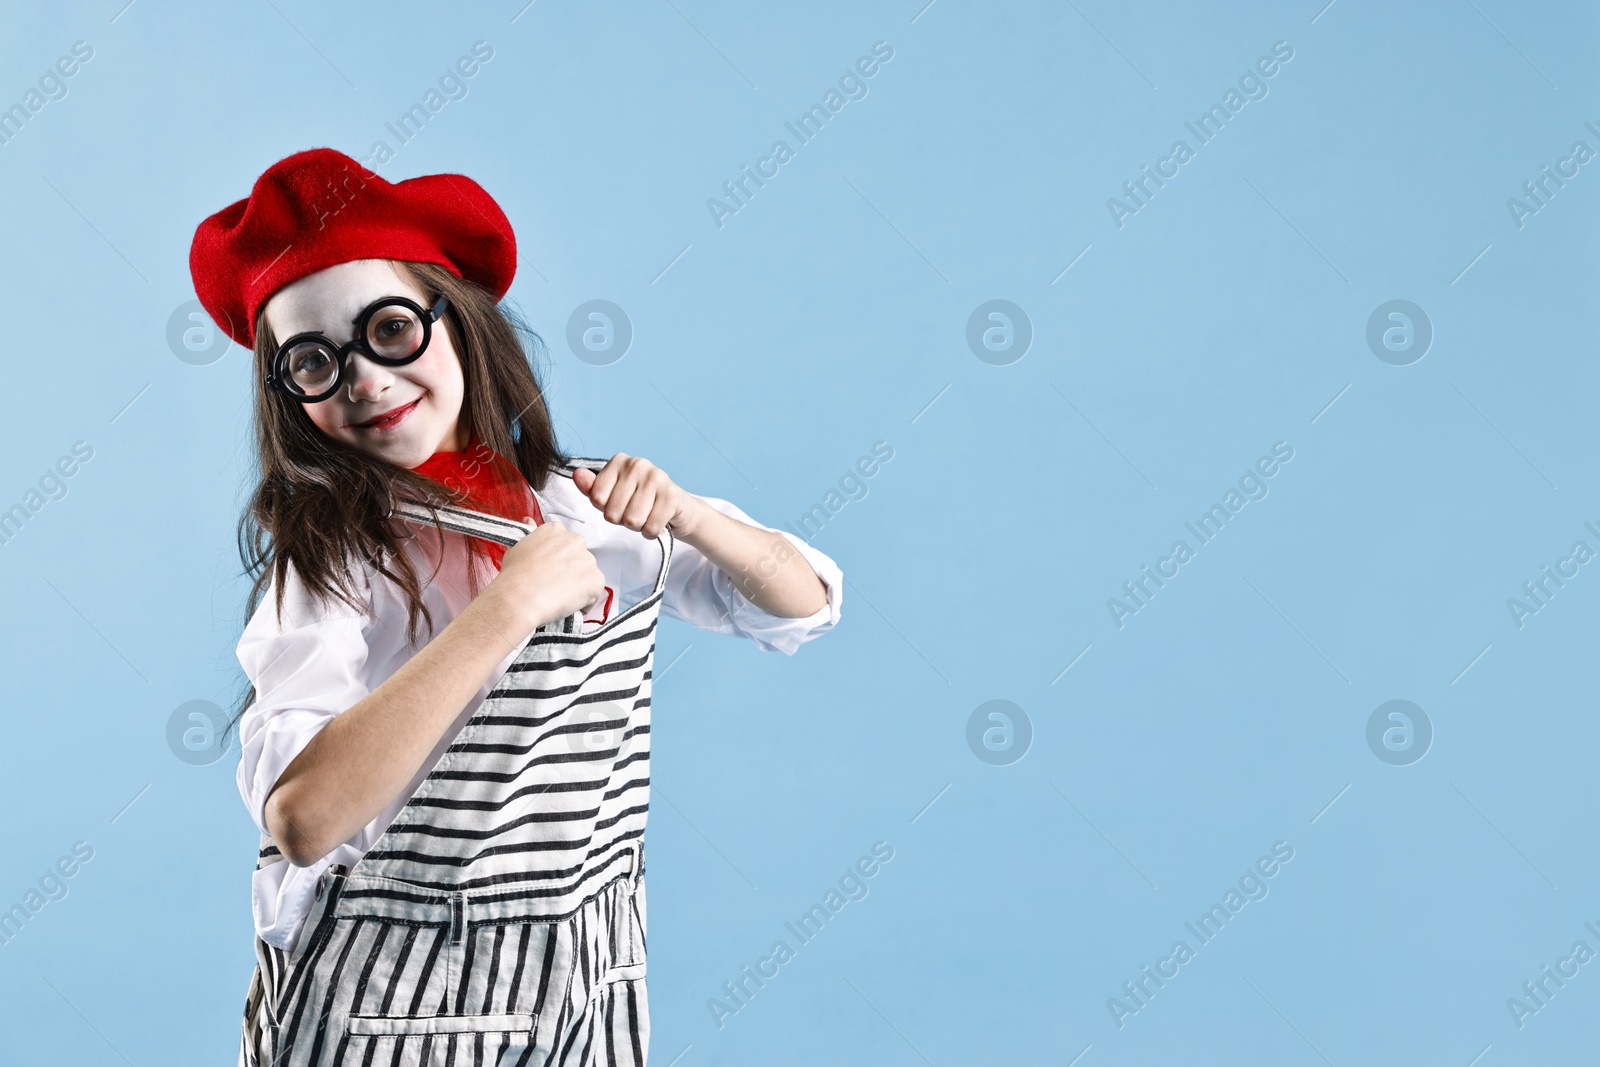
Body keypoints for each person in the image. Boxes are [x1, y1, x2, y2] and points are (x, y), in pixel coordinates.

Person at [189, 146, 843, 1066]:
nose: (363, 380)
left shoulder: (584, 508)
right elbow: (301, 817)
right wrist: (505, 610)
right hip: (394, 986)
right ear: (289, 397)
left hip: (585, 974)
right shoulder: (334, 562)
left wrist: (693, 516)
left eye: (387, 330)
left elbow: (802, 603)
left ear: (455, 323)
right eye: (312, 361)